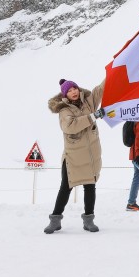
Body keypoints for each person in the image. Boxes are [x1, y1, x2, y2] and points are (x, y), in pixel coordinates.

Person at [44, 78, 105, 234]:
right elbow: (70, 126)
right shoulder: (64, 110)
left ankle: (89, 220)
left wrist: (112, 72)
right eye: (70, 90)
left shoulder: (88, 102)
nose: (74, 92)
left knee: (90, 186)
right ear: (65, 94)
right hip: (73, 156)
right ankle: (55, 220)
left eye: (75, 88)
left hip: (91, 155)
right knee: (66, 186)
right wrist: (93, 116)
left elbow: (100, 89)